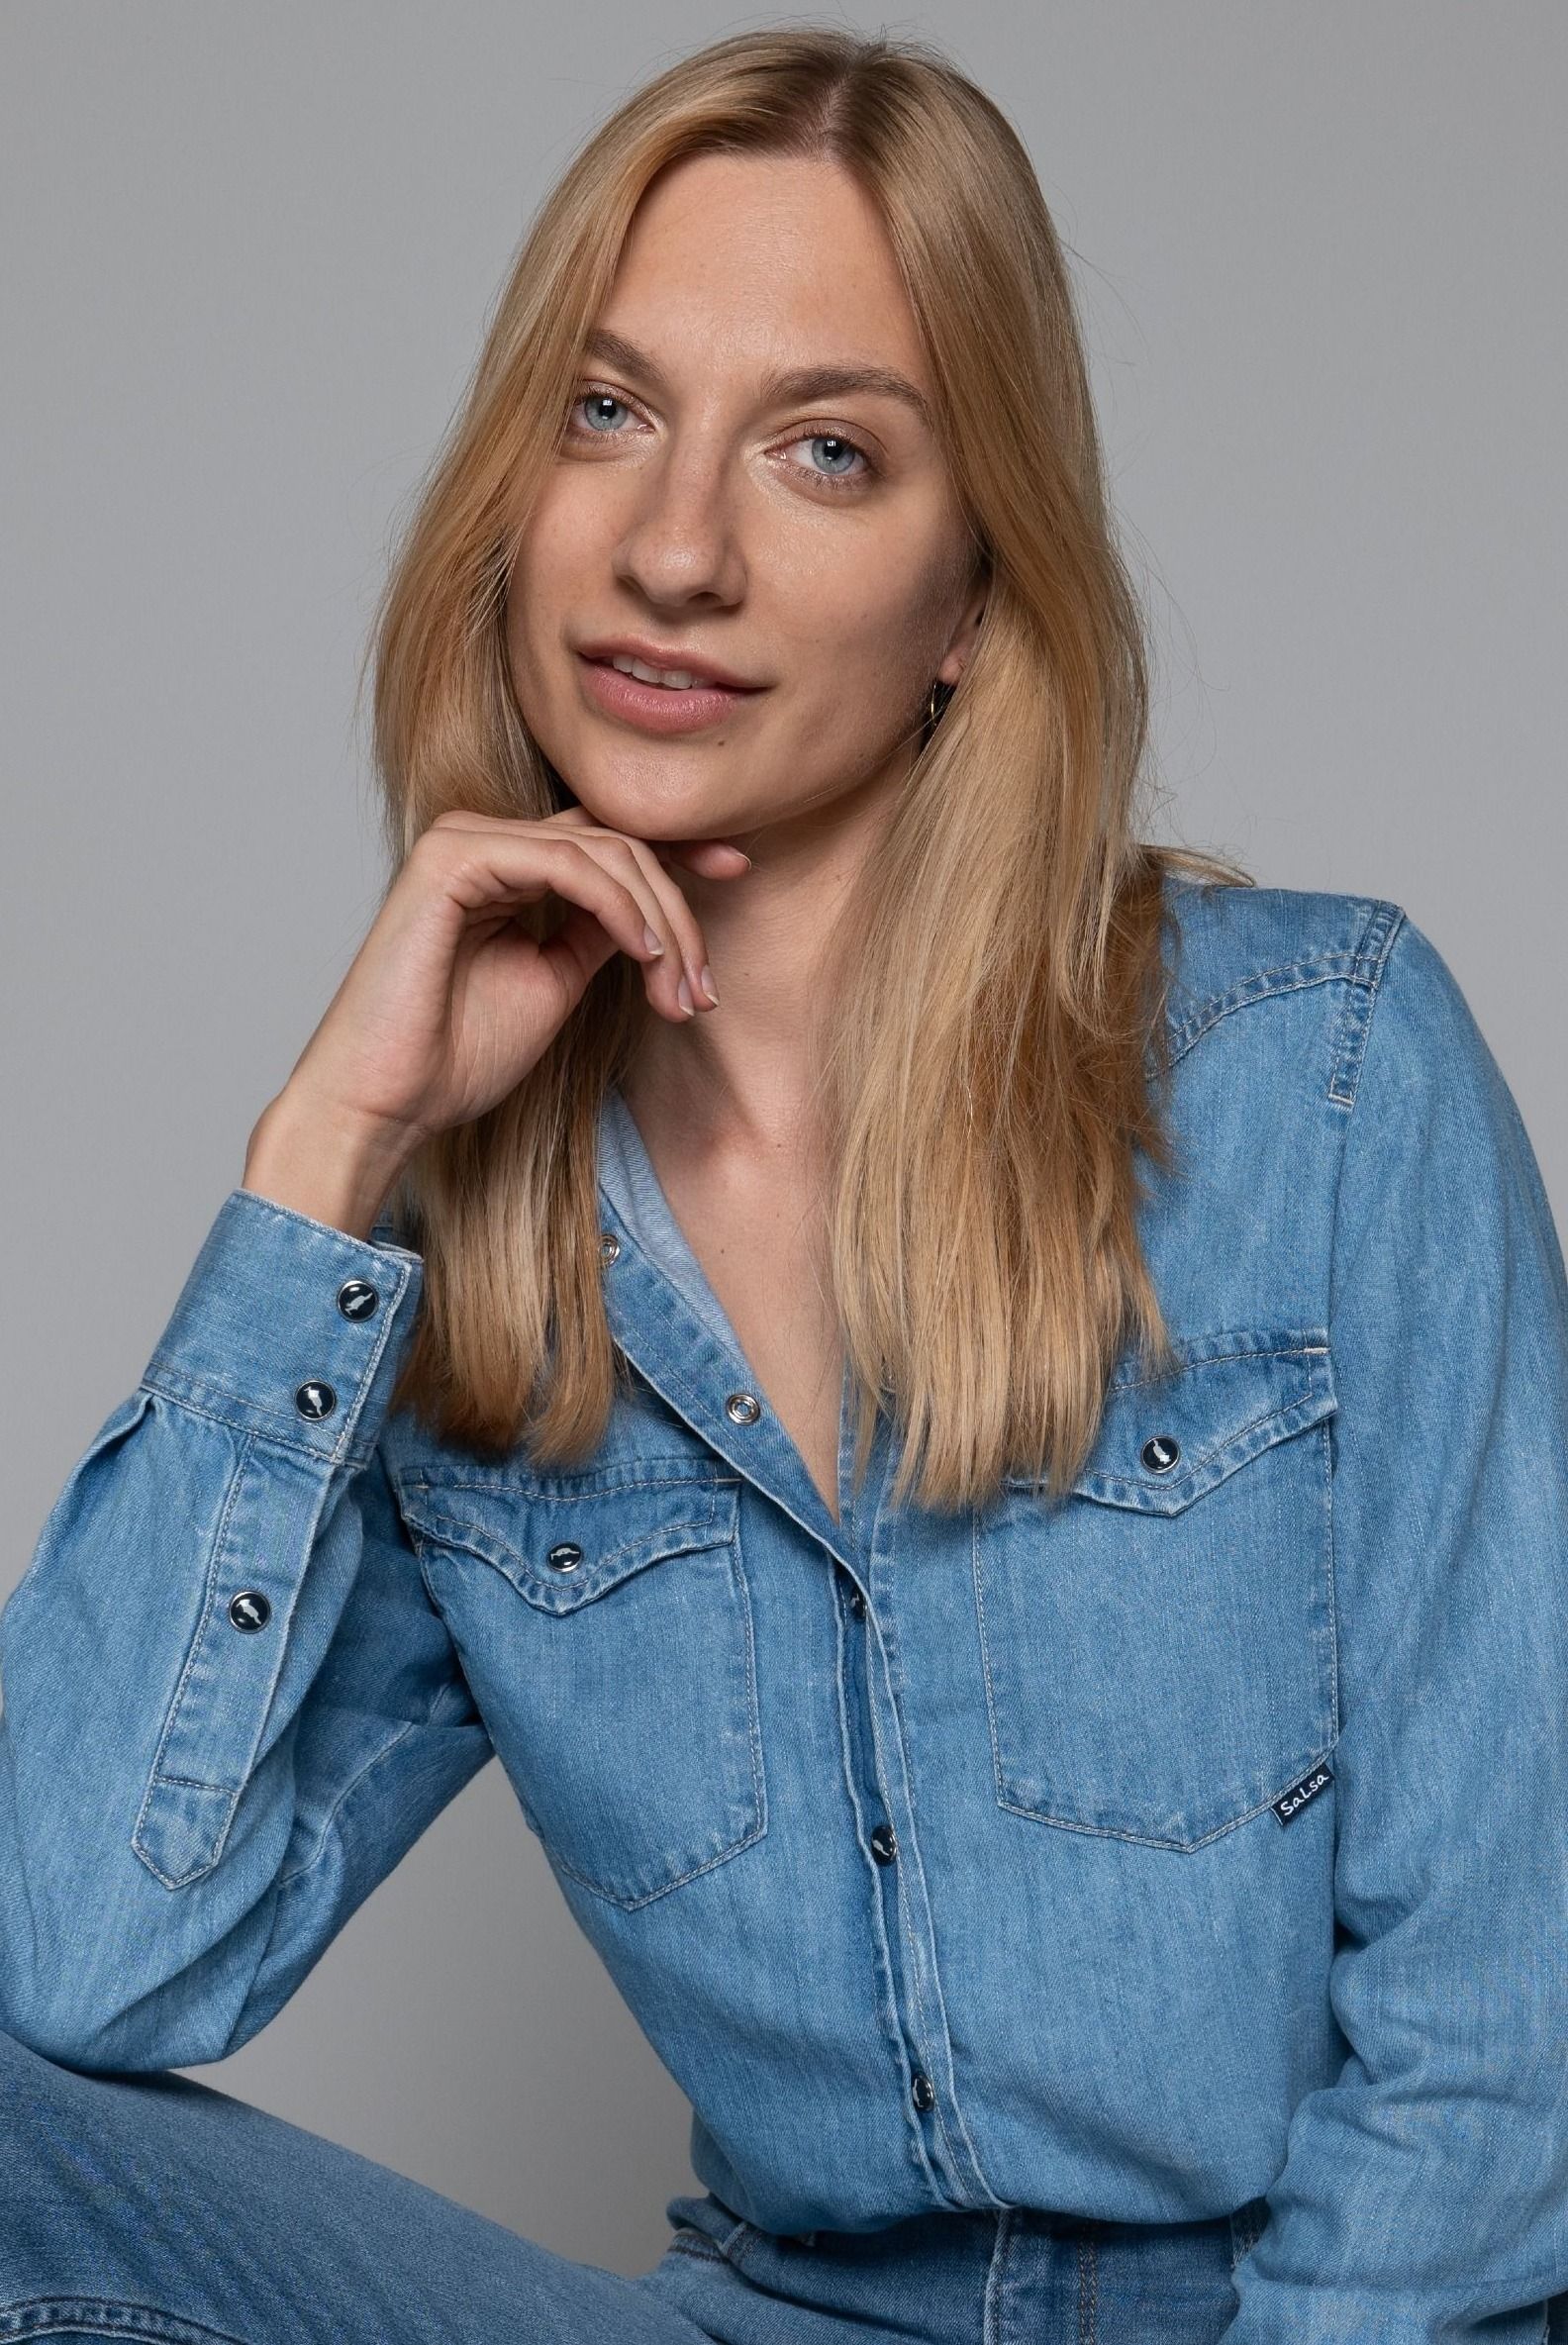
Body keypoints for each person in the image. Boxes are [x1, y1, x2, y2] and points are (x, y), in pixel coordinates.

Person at [1, 23, 1564, 2344]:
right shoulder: (480, 1249)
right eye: (607, 412)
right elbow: (74, 1958)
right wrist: (327, 1162)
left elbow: (1505, 2039)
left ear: (972, 598)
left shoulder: (1319, 1080)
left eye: (826, 451)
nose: (674, 549)